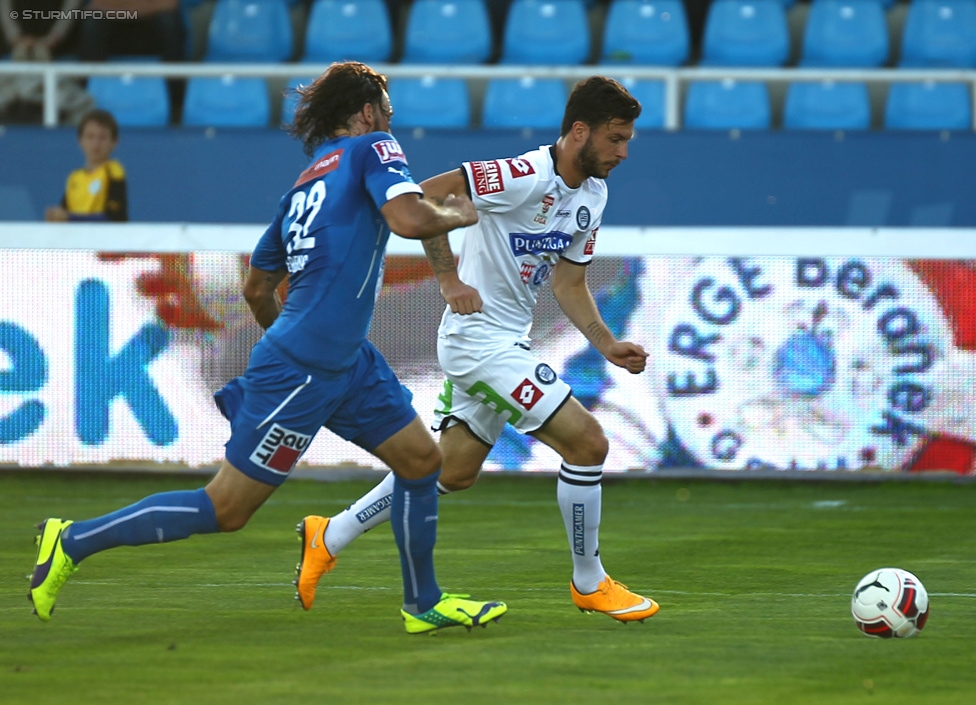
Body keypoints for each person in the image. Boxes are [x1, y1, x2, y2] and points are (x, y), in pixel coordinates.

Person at [28, 61, 507, 635]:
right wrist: (455, 211)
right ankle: (72, 540)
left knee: (421, 460)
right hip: (307, 367)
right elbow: (408, 218)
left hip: (342, 361)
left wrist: (297, 337)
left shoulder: (302, 186)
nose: (391, 119)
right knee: (226, 509)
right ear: (366, 112)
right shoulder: (374, 149)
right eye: (386, 109)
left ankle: (421, 602)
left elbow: (257, 287)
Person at [295, 76, 660, 624]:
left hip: (505, 340)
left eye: (628, 140)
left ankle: (332, 534)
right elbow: (425, 197)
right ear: (579, 131)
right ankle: (590, 582)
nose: (624, 152)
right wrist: (448, 279)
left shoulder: (592, 195)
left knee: (451, 471)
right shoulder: (521, 174)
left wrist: (606, 344)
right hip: (477, 340)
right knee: (587, 444)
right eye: (615, 138)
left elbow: (569, 283)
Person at [45, 108, 127, 222]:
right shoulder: (75, 177)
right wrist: (55, 215)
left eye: (102, 138)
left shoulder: (114, 171)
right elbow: (64, 212)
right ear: (80, 141)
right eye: (90, 137)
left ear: (114, 142)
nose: (96, 143)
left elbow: (114, 217)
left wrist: (70, 218)